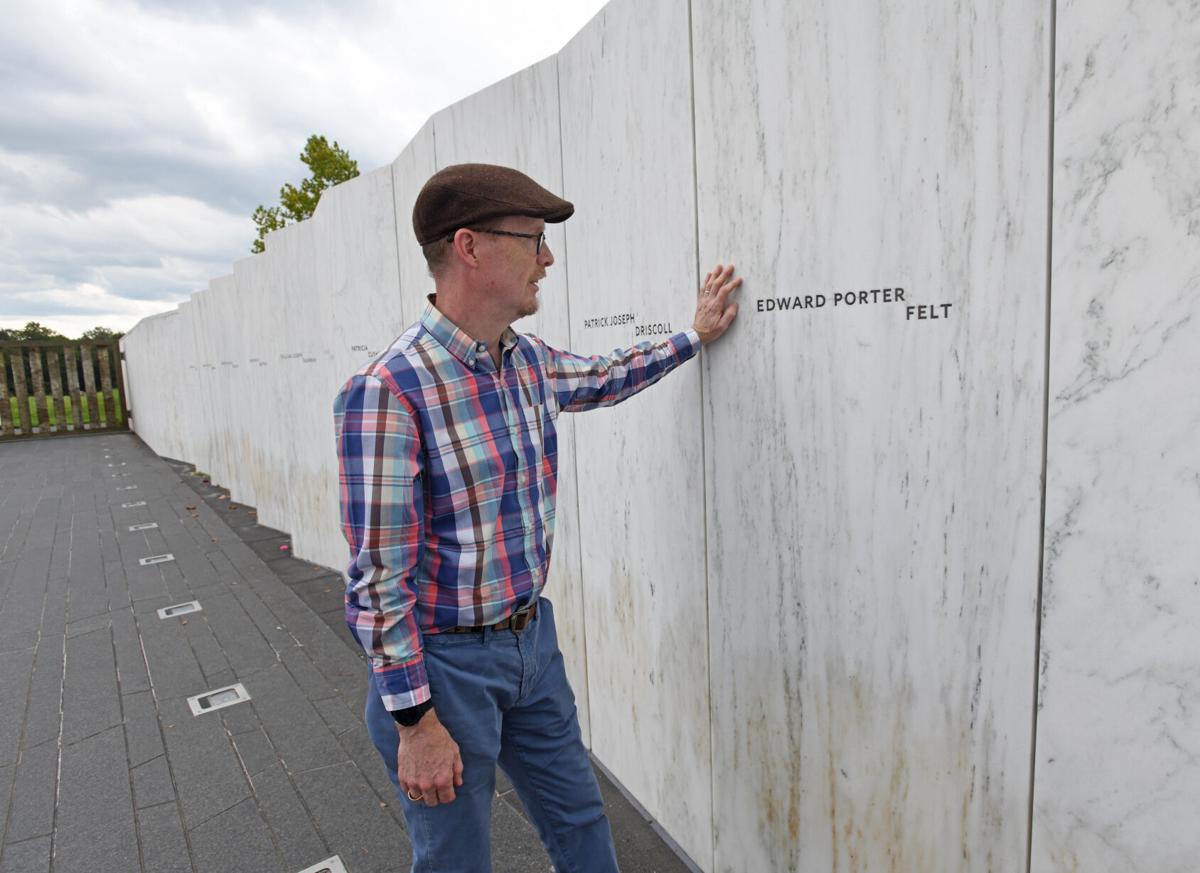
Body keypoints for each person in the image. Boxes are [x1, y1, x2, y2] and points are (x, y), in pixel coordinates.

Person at [334, 162, 741, 872]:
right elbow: (378, 580)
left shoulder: (524, 361)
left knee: (582, 826)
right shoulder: (389, 391)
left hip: (532, 647)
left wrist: (694, 335)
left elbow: (607, 375)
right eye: (533, 239)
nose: (547, 259)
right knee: (456, 860)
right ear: (470, 247)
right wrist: (415, 723)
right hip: (445, 673)